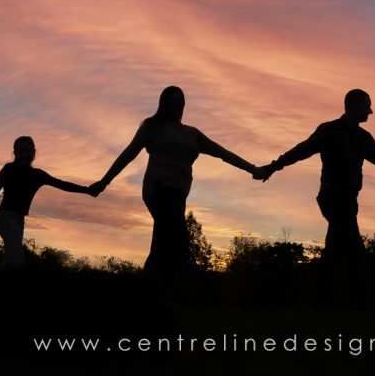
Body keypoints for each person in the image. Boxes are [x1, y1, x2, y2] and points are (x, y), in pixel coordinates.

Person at [89, 86, 259, 298]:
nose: (176, 104)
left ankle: (150, 296)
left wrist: (252, 169)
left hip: (178, 195)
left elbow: (223, 153)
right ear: (163, 103)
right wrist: (104, 181)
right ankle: (154, 296)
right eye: (171, 100)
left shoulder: (192, 133)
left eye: (179, 100)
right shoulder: (153, 127)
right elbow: (128, 154)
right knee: (178, 242)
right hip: (159, 189)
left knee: (165, 245)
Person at [254, 89, 375, 299]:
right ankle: (360, 302)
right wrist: (273, 167)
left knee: (335, 250)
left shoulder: (364, 138)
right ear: (353, 105)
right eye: (367, 105)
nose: (370, 111)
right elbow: (301, 150)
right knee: (355, 250)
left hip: (349, 199)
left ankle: (321, 302)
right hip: (332, 196)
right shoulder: (329, 130)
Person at [0, 135, 94, 271]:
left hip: (19, 220)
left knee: (10, 259)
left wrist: (88, 190)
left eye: (28, 151)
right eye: (21, 151)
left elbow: (62, 184)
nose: (25, 154)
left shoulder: (38, 175)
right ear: (15, 154)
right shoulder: (9, 168)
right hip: (6, 219)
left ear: (34, 153)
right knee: (18, 260)